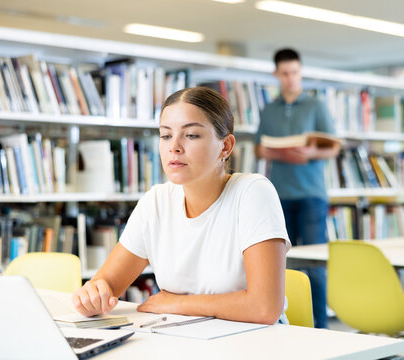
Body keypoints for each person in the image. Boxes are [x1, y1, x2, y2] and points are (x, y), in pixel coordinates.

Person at [72, 87, 291, 325]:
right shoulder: (156, 201)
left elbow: (264, 308)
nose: (174, 147)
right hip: (185, 337)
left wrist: (178, 303)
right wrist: (92, 296)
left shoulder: (252, 192)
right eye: (166, 135)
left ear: (225, 147)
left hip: (254, 342)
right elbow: (107, 286)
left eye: (191, 135)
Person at [254, 48, 340, 328]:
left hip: (311, 195)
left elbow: (334, 147)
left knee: (314, 264)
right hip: (278, 196)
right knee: (279, 265)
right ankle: (287, 322)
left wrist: (310, 154)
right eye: (285, 73)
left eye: (295, 72)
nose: (290, 78)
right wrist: (283, 154)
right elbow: (259, 147)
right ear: (276, 74)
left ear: (300, 72)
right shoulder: (269, 109)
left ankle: (320, 327)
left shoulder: (316, 106)